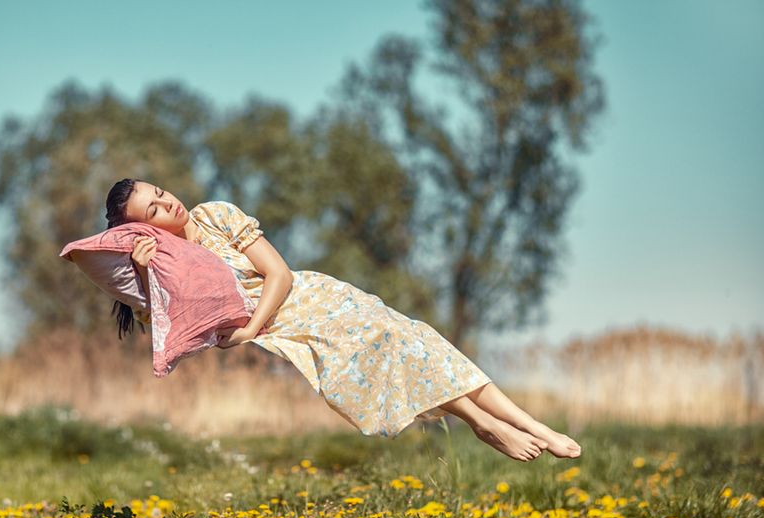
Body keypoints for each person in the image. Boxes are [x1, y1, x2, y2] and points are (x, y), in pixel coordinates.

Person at [104, 178, 581, 462]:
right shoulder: (170, 262)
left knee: (412, 336)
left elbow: (280, 273)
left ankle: (523, 424)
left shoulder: (217, 215)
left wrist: (251, 328)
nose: (169, 204)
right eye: (155, 209)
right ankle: (484, 422)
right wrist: (145, 274)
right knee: (397, 346)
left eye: (162, 193)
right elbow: (169, 321)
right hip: (289, 331)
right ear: (143, 227)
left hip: (308, 297)